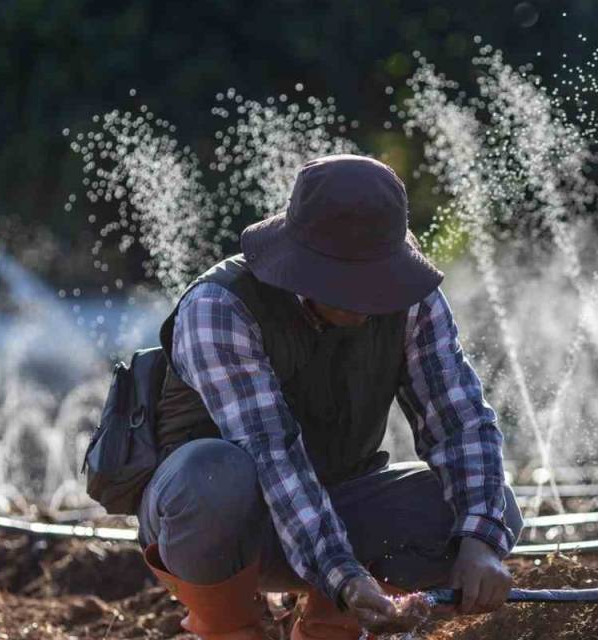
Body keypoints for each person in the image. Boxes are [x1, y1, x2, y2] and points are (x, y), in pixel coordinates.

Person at [137, 154, 522, 639]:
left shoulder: (412, 300)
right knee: (212, 474)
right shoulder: (220, 308)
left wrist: (481, 540)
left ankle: (328, 627)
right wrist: (342, 572)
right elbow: (271, 454)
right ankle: (230, 627)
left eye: (375, 280)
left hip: (336, 507)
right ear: (300, 263)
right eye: (345, 282)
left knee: (489, 507)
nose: (365, 298)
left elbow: (460, 420)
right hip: (218, 526)